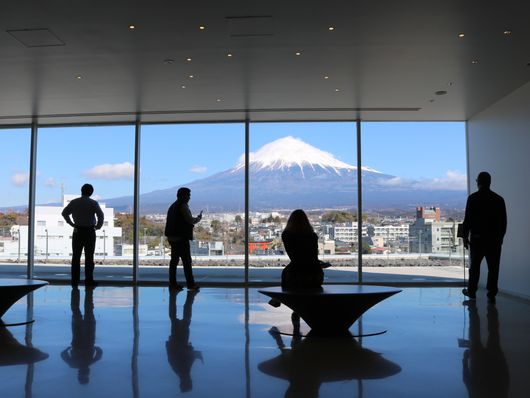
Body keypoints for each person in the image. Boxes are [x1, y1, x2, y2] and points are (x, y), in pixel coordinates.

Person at [279, 209, 329, 333]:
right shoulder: (312, 236)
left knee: (286, 272)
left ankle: (280, 300)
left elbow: (295, 256)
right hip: (315, 275)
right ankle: (304, 312)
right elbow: (312, 256)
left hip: (296, 274)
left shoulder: (286, 235)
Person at [461, 172, 507, 304]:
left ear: (478, 182)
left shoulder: (473, 198)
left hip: (477, 239)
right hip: (494, 241)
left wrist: (465, 237)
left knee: (474, 267)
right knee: (494, 268)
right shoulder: (499, 199)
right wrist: (500, 239)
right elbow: (503, 223)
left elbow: (467, 220)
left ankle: (472, 291)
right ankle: (491, 293)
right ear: (489, 182)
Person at [62, 184, 104, 287]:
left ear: (81, 190)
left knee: (76, 257)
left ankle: (74, 281)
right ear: (91, 192)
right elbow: (100, 215)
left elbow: (64, 213)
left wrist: (71, 223)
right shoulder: (93, 203)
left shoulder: (74, 202)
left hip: (77, 230)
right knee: (89, 257)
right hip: (90, 231)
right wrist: (98, 226)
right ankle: (89, 280)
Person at [61, 286, 103, 385]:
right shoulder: (73, 364)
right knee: (77, 312)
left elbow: (99, 353)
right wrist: (68, 348)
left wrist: (95, 347)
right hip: (78, 339)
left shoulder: (88, 362)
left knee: (87, 311)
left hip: (87, 338)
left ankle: (86, 291)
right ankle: (78, 290)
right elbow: (63, 354)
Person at [165, 187, 202, 290]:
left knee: (174, 261)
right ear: (183, 195)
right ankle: (191, 284)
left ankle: (172, 284)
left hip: (172, 237)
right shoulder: (182, 206)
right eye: (188, 195)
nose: (189, 197)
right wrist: (198, 219)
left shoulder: (173, 206)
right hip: (181, 238)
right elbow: (190, 220)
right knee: (186, 262)